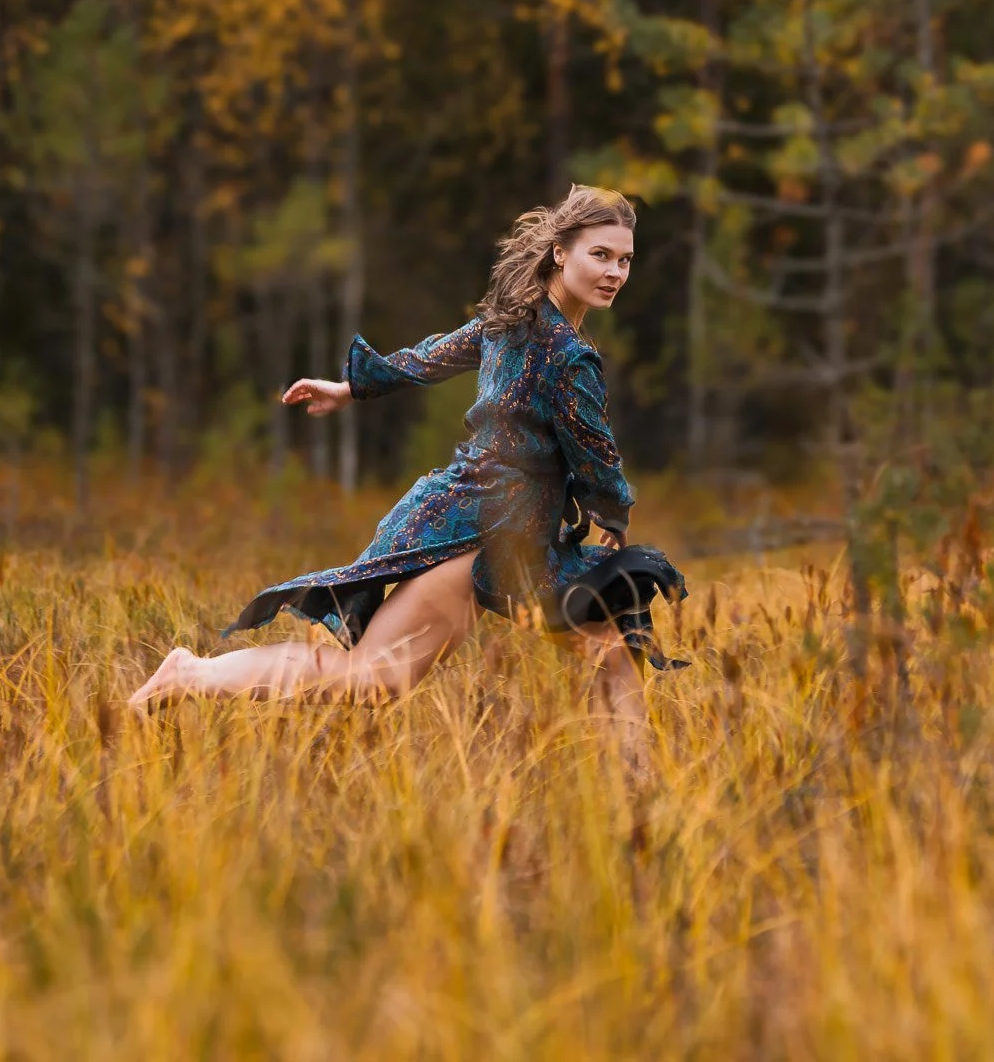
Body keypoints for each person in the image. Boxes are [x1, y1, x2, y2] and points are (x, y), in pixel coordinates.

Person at [128, 185, 686, 760]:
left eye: (625, 260)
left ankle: (636, 787)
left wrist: (351, 388)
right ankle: (190, 674)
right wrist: (613, 513)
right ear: (560, 252)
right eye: (601, 255)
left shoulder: (514, 322)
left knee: (615, 643)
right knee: (372, 679)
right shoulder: (566, 355)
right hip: (481, 536)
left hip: (500, 528)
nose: (615, 272)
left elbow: (435, 355)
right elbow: (595, 450)